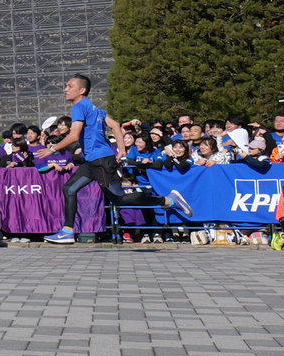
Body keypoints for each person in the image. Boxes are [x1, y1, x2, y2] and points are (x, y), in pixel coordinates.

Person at [37, 75, 189, 244]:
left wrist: (52, 149)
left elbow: (74, 136)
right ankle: (67, 231)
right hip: (93, 160)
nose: (66, 89)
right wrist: (121, 150)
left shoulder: (80, 106)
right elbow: (116, 125)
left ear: (82, 90)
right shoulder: (94, 108)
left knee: (119, 198)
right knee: (69, 189)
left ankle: (169, 200)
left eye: (69, 86)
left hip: (100, 160)